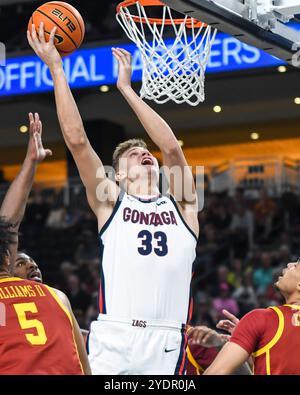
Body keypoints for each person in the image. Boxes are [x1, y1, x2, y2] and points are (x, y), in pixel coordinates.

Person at [27, 23, 199, 375]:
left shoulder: (182, 205)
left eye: (144, 152)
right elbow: (76, 141)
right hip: (114, 336)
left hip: (166, 339)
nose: (144, 153)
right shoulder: (111, 203)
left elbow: (169, 146)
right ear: (117, 175)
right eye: (133, 154)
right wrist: (57, 69)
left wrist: (126, 89)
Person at [0, 113, 91, 375]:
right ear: (7, 258)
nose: (31, 268)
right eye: (21, 261)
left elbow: (10, 224)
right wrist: (31, 162)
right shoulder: (57, 297)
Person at [204, 260, 300, 375]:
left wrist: (248, 332)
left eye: (296, 265)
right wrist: (252, 344)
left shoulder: (263, 319)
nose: (289, 264)